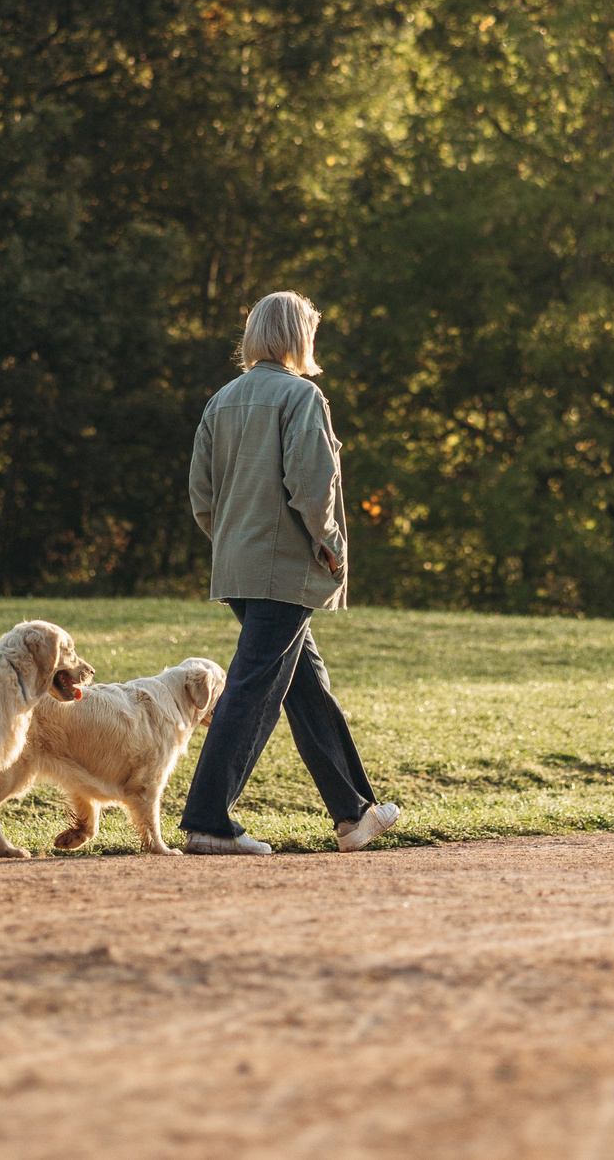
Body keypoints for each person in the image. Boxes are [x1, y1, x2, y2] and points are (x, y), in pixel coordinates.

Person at [179, 290, 400, 856]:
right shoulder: (302, 396)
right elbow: (311, 484)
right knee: (253, 689)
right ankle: (208, 820)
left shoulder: (220, 400)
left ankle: (353, 814)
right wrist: (330, 545)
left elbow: (201, 498)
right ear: (300, 335)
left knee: (306, 687)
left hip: (237, 567)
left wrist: (232, 543)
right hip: (285, 568)